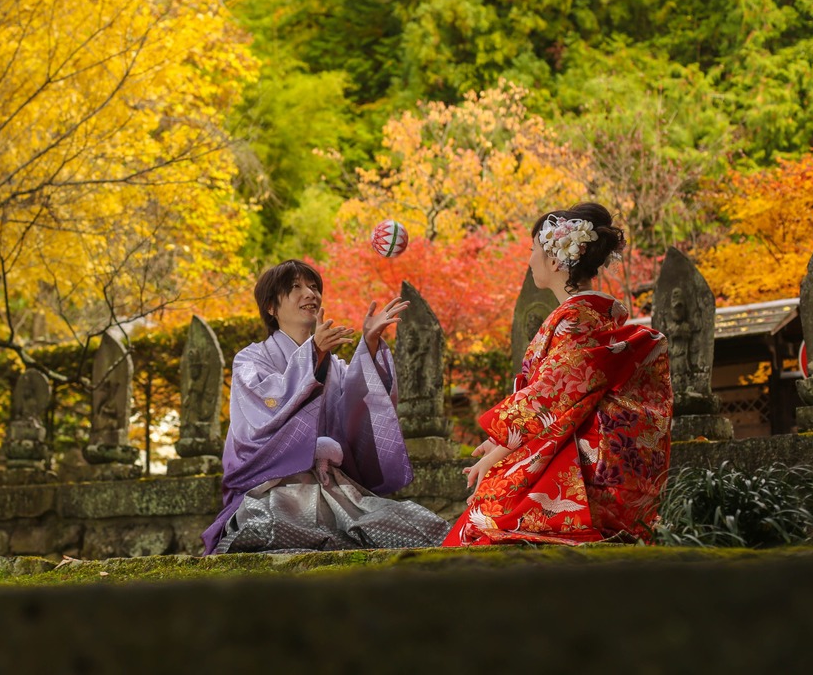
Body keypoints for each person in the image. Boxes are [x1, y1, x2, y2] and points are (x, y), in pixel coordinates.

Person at [444, 203, 674, 547]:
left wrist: (495, 453)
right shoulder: (591, 317)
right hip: (584, 451)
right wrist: (498, 441)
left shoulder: (576, 320)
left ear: (554, 260)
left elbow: (550, 394)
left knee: (487, 523)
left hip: (584, 469)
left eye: (533, 250)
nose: (530, 260)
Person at [202, 259, 450, 554]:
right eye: (295, 287)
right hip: (272, 487)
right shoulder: (250, 360)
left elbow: (357, 410)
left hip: (332, 483)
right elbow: (265, 408)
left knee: (418, 528)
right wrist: (314, 353)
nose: (310, 294)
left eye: (313, 287)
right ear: (271, 307)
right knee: (268, 529)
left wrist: (369, 345)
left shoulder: (333, 364)